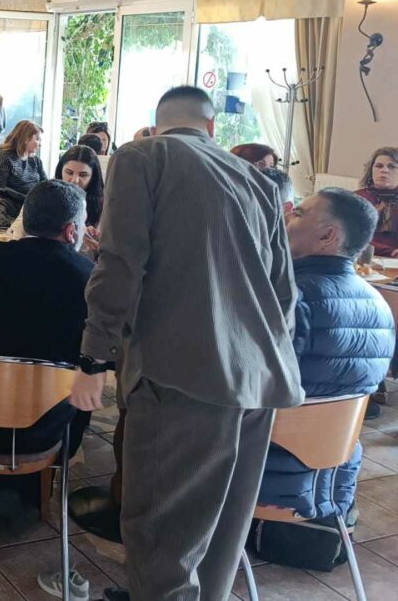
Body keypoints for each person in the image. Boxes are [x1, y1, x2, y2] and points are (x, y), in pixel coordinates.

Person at [69, 86, 303, 601]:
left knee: (161, 542)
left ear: (157, 126)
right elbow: (284, 293)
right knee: (220, 539)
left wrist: (93, 357)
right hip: (258, 382)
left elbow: (120, 263)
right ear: (212, 128)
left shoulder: (142, 156)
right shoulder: (258, 181)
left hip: (183, 377)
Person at [0, 181, 94, 560]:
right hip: (42, 430)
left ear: (24, 221)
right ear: (71, 231)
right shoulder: (90, 281)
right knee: (88, 376)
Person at [254, 189, 394, 562]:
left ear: (328, 235)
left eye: (299, 213)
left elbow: (250, 387)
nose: (287, 217)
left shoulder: (292, 299)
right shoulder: (379, 304)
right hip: (334, 475)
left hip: (263, 474)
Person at [8, 144, 104, 258]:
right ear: (60, 170)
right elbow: (15, 233)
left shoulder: (103, 204)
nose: (74, 180)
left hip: (82, 263)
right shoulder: (43, 194)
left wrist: (95, 243)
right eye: (69, 172)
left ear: (93, 177)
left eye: (83, 175)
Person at [0, 119, 46, 198]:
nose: (40, 145)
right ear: (26, 139)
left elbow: (46, 185)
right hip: (13, 203)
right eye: (37, 139)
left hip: (35, 201)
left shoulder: (36, 160)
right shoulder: (2, 158)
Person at [357, 146, 398, 257]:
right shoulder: (356, 199)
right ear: (371, 170)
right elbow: (348, 235)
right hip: (361, 257)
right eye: (379, 166)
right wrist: (390, 251)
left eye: (391, 166)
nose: (384, 170)